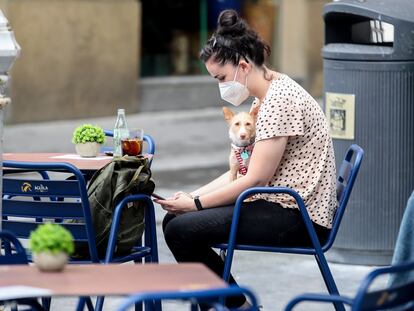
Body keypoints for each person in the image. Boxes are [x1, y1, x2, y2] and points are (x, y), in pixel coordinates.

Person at [154, 9, 337, 309]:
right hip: (282, 204)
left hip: (298, 216)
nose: (221, 87)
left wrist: (196, 204)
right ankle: (233, 304)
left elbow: (255, 179)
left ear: (242, 65)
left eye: (221, 78)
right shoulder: (266, 94)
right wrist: (192, 197)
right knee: (177, 219)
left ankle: (235, 306)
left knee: (179, 229)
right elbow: (241, 170)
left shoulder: (278, 101)